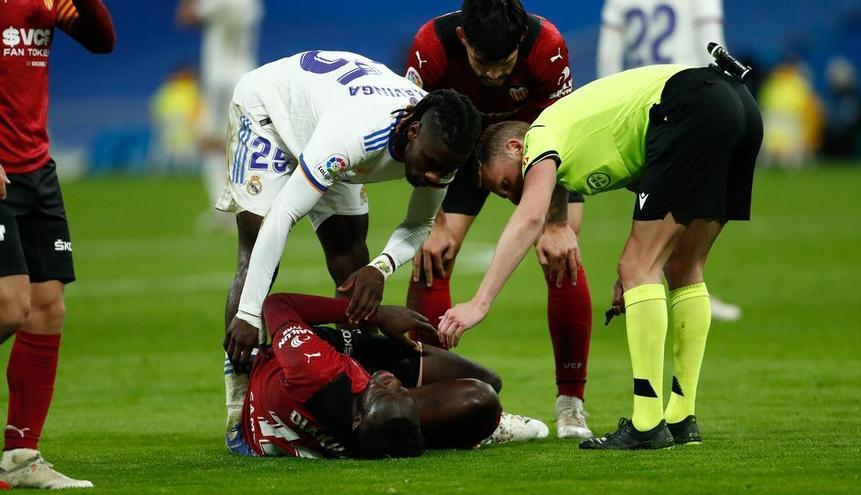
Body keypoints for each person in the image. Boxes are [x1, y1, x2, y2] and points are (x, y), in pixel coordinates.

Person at [438, 62, 763, 450]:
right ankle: (681, 417)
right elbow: (654, 196)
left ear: (514, 147)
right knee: (683, 267)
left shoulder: (540, 134)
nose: (512, 196)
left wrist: (479, 303)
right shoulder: (583, 145)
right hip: (739, 106)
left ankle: (647, 425)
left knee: (638, 266)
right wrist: (634, 278)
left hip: (691, 102)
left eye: (506, 183)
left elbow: (530, 218)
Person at [219, 50, 481, 453]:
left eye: (445, 170)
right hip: (269, 115)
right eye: (430, 163)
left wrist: (381, 267)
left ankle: (367, 401)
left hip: (324, 128)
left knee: (353, 260)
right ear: (412, 131)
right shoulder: (357, 134)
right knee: (256, 248)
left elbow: (419, 224)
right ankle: (238, 411)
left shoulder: (442, 148)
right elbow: (283, 215)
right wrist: (250, 313)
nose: (434, 176)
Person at [404, 0, 594, 440]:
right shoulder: (431, 46)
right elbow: (415, 136)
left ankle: (571, 404)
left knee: (562, 253)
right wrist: (430, 220)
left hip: (531, 146)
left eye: (504, 65)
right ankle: (431, 399)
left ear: (521, 42)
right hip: (460, 148)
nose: (493, 76)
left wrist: (555, 223)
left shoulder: (547, 47)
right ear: (464, 38)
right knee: (433, 253)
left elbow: (562, 130)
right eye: (482, 64)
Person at [0, 0, 115, 488]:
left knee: (48, 308)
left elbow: (102, 41)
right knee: (10, 306)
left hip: (36, 170)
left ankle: (20, 457)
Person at [242, 292, 546, 458]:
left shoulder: (315, 368)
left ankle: (458, 427)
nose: (396, 382)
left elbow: (276, 304)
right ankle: (482, 430)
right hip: (327, 395)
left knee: (490, 383)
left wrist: (376, 315)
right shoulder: (376, 428)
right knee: (484, 395)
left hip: (288, 369)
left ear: (358, 419)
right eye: (404, 393)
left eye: (389, 391)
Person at [597, 0, 742, 322]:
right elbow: (713, 45)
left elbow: (609, 55)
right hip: (690, 99)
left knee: (651, 202)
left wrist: (612, 107)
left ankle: (646, 287)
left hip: (640, 107)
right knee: (695, 205)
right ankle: (683, 286)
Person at [176, 0, 263, 231]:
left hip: (219, 79)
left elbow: (186, 17)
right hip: (245, 74)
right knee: (243, 144)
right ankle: (249, 206)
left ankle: (224, 210)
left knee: (209, 142)